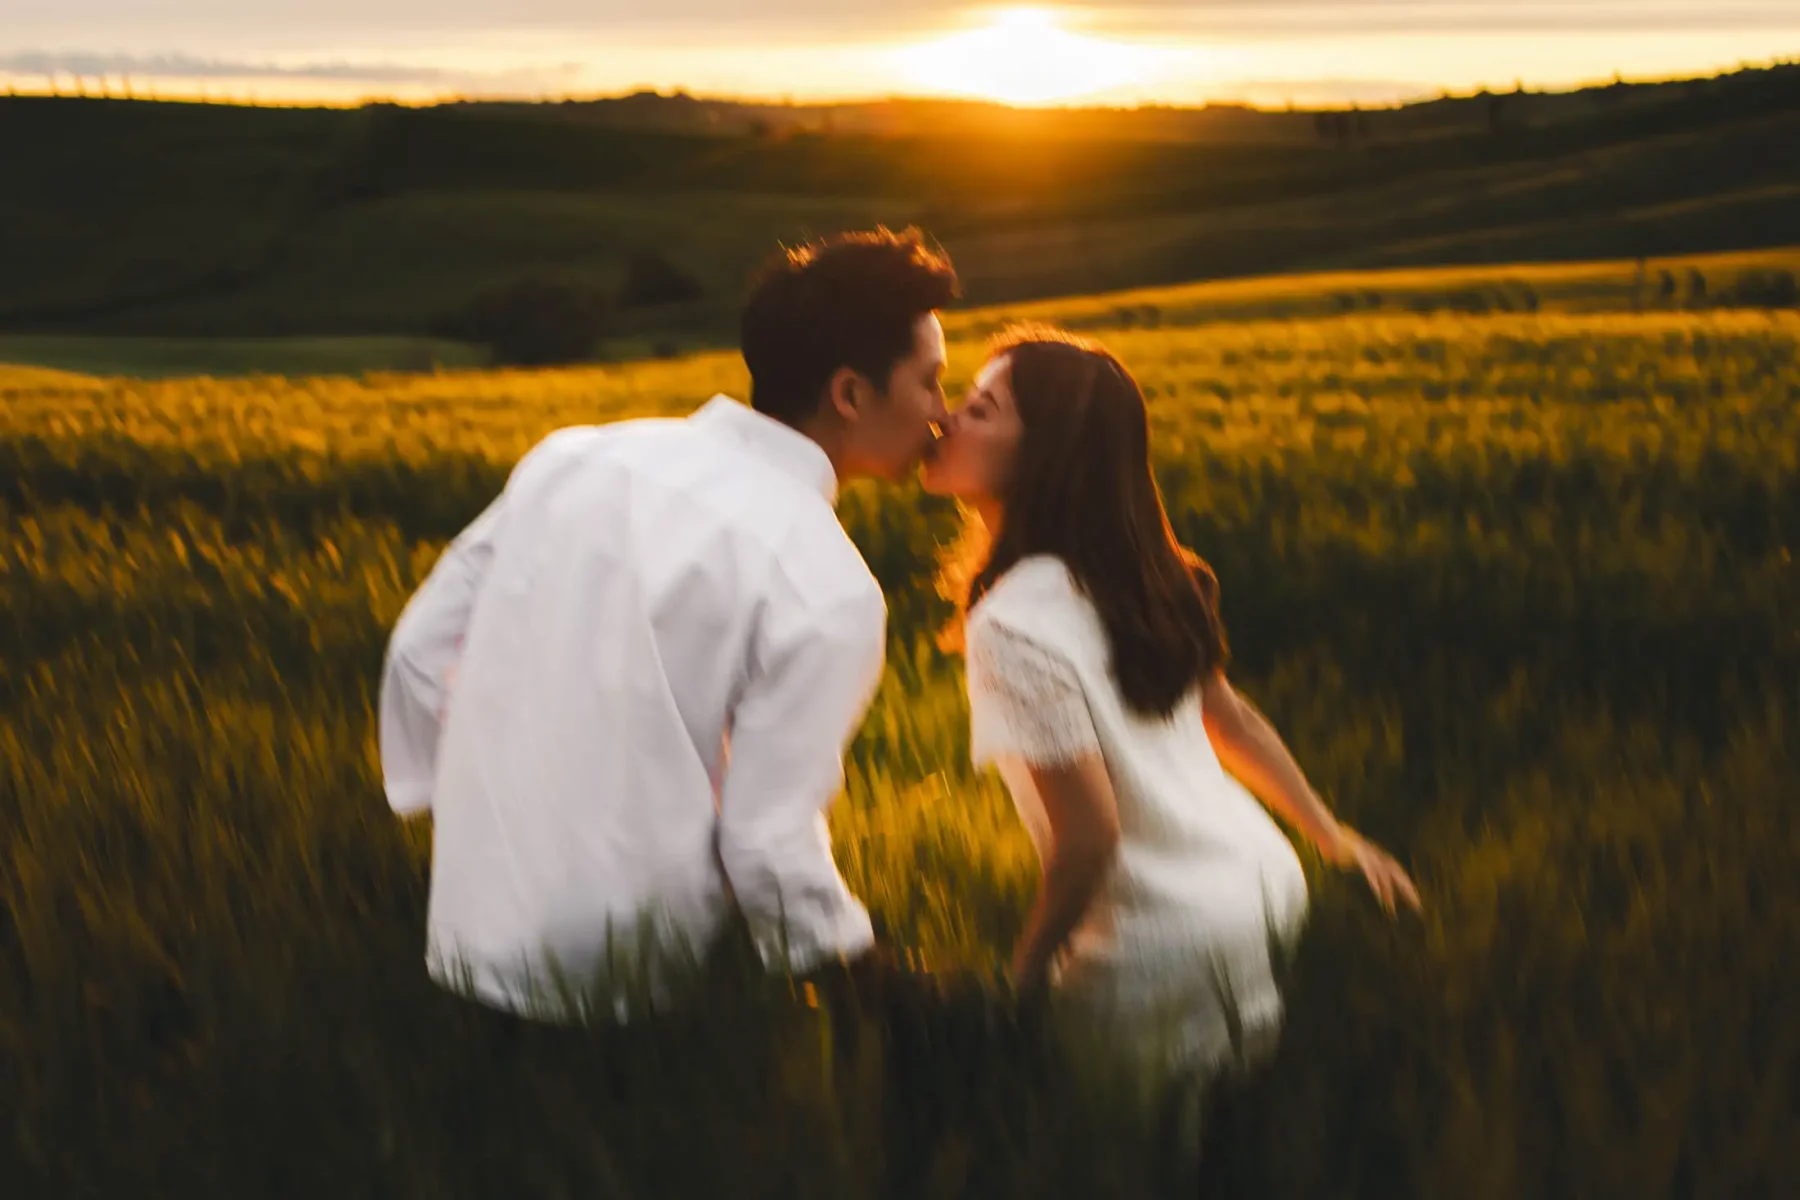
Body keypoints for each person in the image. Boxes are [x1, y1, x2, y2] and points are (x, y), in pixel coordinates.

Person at [378, 227, 958, 1021]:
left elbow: (417, 655)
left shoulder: (573, 457)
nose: (942, 414)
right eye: (931, 383)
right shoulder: (827, 584)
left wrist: (493, 816)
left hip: (462, 941)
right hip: (635, 992)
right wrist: (891, 997)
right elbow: (767, 844)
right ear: (852, 394)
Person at [920, 323, 1422, 1168]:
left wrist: (1021, 985)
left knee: (1119, 1166)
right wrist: (1327, 834)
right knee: (1229, 1153)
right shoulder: (1147, 573)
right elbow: (1234, 721)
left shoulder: (1010, 623)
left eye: (980, 408)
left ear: (1045, 456)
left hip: (1156, 948)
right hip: (1260, 889)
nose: (948, 422)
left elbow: (1089, 840)